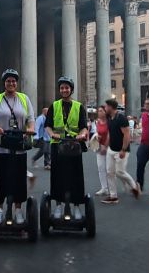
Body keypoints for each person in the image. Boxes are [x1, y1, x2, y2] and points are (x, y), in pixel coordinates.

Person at [0, 69, 36, 224]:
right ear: (4, 83)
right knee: (1, 178)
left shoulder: (24, 98)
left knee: (19, 178)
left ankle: (18, 209)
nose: (11, 83)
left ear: (17, 83)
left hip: (19, 144)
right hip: (1, 145)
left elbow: (30, 118)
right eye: (8, 81)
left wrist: (30, 130)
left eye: (13, 81)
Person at [44, 76, 89, 217]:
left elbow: (84, 127)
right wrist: (52, 134)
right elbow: (47, 126)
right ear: (59, 90)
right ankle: (58, 205)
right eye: (62, 88)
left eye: (67, 88)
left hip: (74, 145)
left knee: (76, 176)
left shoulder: (79, 106)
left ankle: (76, 205)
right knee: (57, 176)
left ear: (71, 90)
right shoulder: (54, 106)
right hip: (58, 145)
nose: (64, 90)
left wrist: (81, 135)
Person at [102, 98, 139, 204]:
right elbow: (110, 133)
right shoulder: (109, 118)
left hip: (121, 150)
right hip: (111, 149)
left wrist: (123, 150)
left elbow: (126, 135)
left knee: (119, 172)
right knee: (110, 172)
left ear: (110, 107)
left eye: (106, 106)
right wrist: (106, 145)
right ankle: (113, 196)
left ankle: (134, 186)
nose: (105, 108)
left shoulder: (121, 118)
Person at [93, 106, 110, 196]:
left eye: (101, 111)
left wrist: (105, 146)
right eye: (98, 111)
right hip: (99, 146)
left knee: (110, 169)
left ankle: (111, 187)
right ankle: (104, 188)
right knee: (101, 168)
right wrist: (96, 137)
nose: (99, 112)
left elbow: (109, 134)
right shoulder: (97, 122)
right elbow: (97, 132)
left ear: (105, 112)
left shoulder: (109, 122)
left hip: (109, 147)